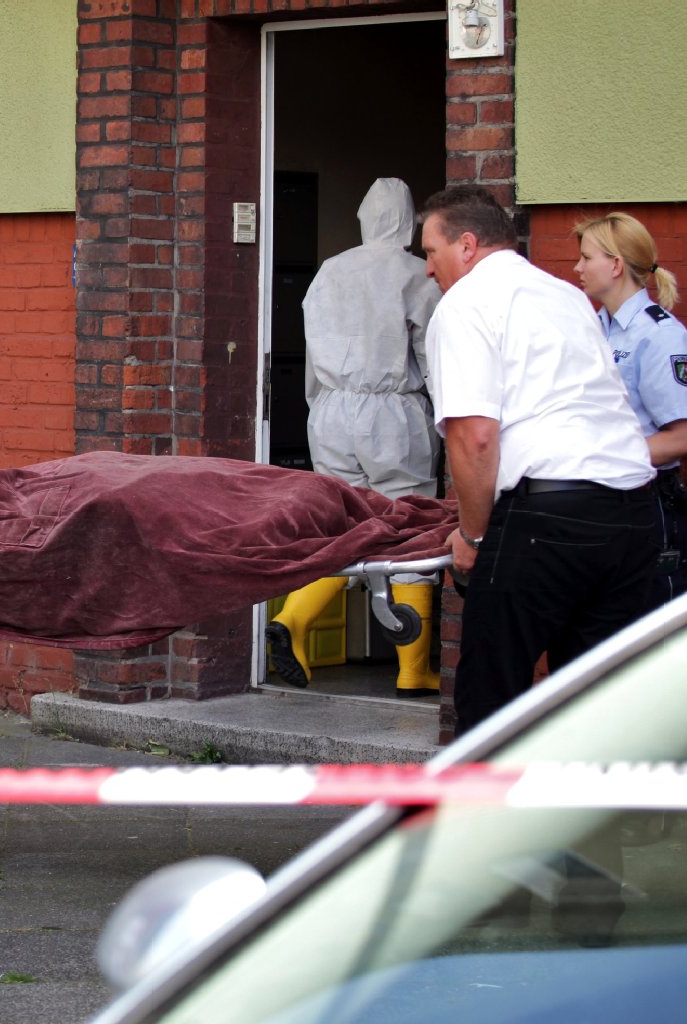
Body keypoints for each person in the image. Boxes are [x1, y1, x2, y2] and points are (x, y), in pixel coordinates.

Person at [420, 185, 657, 734]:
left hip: (547, 516)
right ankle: (606, 819)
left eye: (431, 252)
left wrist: (473, 539)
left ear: (468, 245)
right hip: (632, 512)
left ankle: (483, 819)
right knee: (599, 699)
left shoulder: (464, 304)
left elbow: (475, 437)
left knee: (490, 697)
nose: (429, 270)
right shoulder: (565, 296)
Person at [267, 177, 443, 697]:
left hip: (331, 411)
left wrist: (320, 406)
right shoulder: (416, 275)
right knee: (410, 530)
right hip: (393, 412)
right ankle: (412, 670)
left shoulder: (329, 272)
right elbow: (432, 356)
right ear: (409, 223)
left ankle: (295, 619)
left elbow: (312, 353)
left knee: (345, 527)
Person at [572, 212, 687, 605]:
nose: (577, 267)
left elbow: (682, 437)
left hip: (647, 502)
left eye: (587, 258)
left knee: (644, 641)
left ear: (616, 265)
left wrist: (606, 454)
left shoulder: (659, 335)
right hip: (599, 502)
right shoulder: (593, 327)